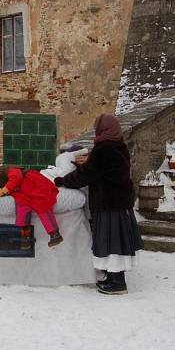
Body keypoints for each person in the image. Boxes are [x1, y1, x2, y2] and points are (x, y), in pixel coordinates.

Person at [54, 114, 143, 295]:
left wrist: (62, 180)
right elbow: (99, 171)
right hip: (120, 202)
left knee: (112, 243)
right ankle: (112, 277)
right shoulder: (119, 145)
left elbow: (86, 175)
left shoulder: (104, 149)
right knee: (116, 242)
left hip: (110, 204)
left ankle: (117, 283)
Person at [0, 165, 64, 248]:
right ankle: (25, 238)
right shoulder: (5, 180)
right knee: (22, 208)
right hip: (22, 192)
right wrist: (0, 190)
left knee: (41, 203)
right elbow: (4, 185)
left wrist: (5, 190)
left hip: (33, 183)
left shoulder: (9, 169)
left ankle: (54, 233)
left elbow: (16, 177)